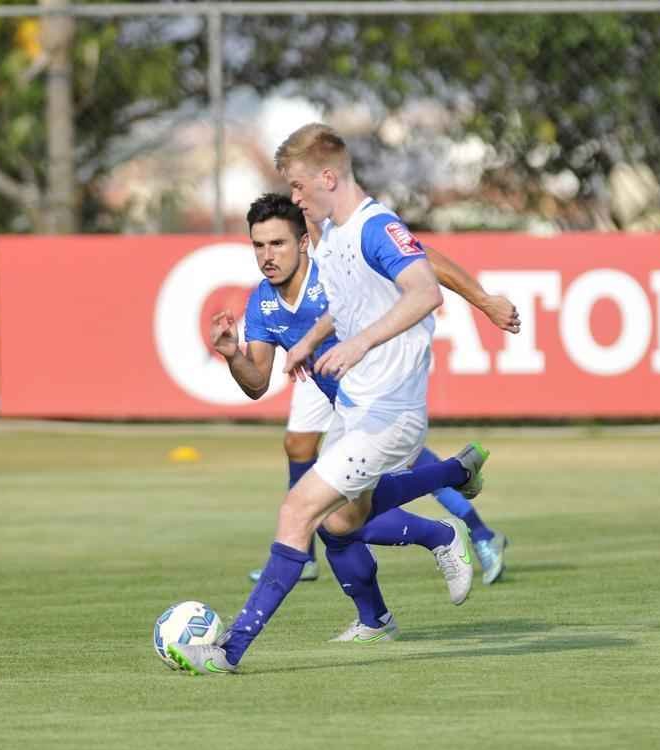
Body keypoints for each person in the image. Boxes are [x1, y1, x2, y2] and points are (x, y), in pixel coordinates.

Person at [168, 123, 517, 674]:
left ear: (327, 177)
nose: (297, 198)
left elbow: (426, 283)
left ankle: (227, 651)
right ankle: (450, 487)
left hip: (390, 412)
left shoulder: (374, 227)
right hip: (356, 405)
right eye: (258, 244)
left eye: (300, 188)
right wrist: (275, 347)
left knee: (298, 510)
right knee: (338, 524)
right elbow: (272, 368)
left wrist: (480, 304)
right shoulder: (334, 239)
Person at [226, 193, 515, 592]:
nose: (267, 252)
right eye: (259, 245)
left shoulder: (337, 244)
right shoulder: (265, 296)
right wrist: (230, 353)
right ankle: (356, 594)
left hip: (373, 379)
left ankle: (471, 527)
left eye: (277, 242)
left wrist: (483, 301)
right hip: (321, 379)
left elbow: (420, 257)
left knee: (347, 499)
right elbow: (256, 382)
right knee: (313, 470)